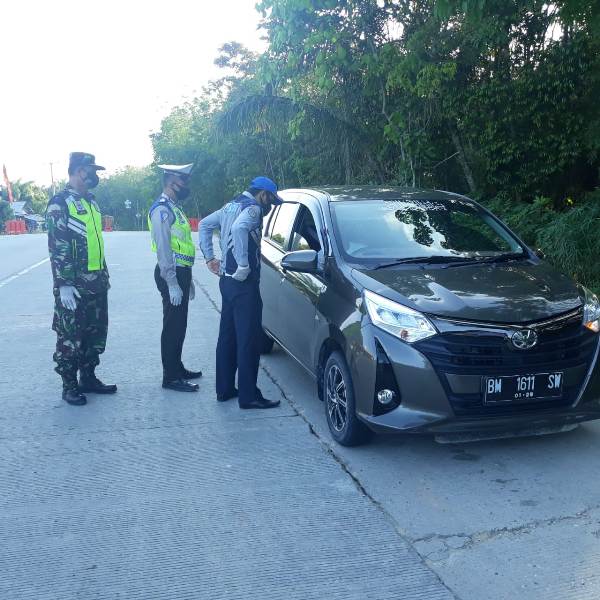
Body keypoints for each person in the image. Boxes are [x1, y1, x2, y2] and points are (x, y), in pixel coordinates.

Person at [199, 176, 282, 409]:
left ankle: (224, 389)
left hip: (227, 281)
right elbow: (239, 228)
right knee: (249, 339)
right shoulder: (253, 208)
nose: (269, 206)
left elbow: (205, 224)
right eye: (270, 200)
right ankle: (249, 396)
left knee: (227, 336)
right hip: (244, 283)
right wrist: (243, 264)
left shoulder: (231, 205)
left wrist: (209, 258)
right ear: (262, 194)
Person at [46, 152, 117, 406]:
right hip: (74, 285)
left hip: (97, 280)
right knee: (70, 337)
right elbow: (58, 245)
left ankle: (88, 376)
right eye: (90, 170)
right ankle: (69, 385)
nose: (94, 175)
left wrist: (104, 274)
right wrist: (63, 283)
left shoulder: (91, 202)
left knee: (95, 334)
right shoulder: (60, 203)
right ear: (77, 171)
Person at [149, 164, 202, 392]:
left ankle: (177, 367)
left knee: (180, 325)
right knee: (172, 326)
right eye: (183, 181)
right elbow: (163, 249)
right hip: (170, 273)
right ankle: (170, 377)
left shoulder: (174, 208)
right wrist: (172, 282)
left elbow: (181, 246)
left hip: (181, 272)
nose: (186, 186)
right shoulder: (161, 210)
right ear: (171, 181)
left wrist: (186, 279)